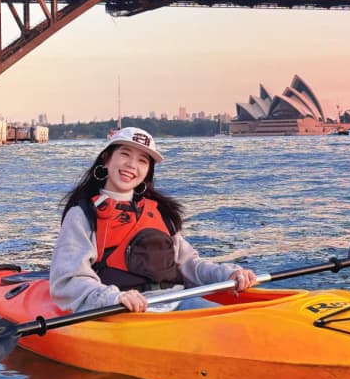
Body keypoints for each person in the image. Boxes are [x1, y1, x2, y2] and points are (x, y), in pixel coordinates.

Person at [49, 126, 257, 313]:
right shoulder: (83, 214)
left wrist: (227, 274)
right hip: (122, 310)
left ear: (148, 170)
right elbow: (68, 279)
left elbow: (189, 265)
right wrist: (113, 298)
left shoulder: (159, 211)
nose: (132, 165)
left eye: (142, 160)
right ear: (106, 158)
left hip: (179, 301)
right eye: (125, 154)